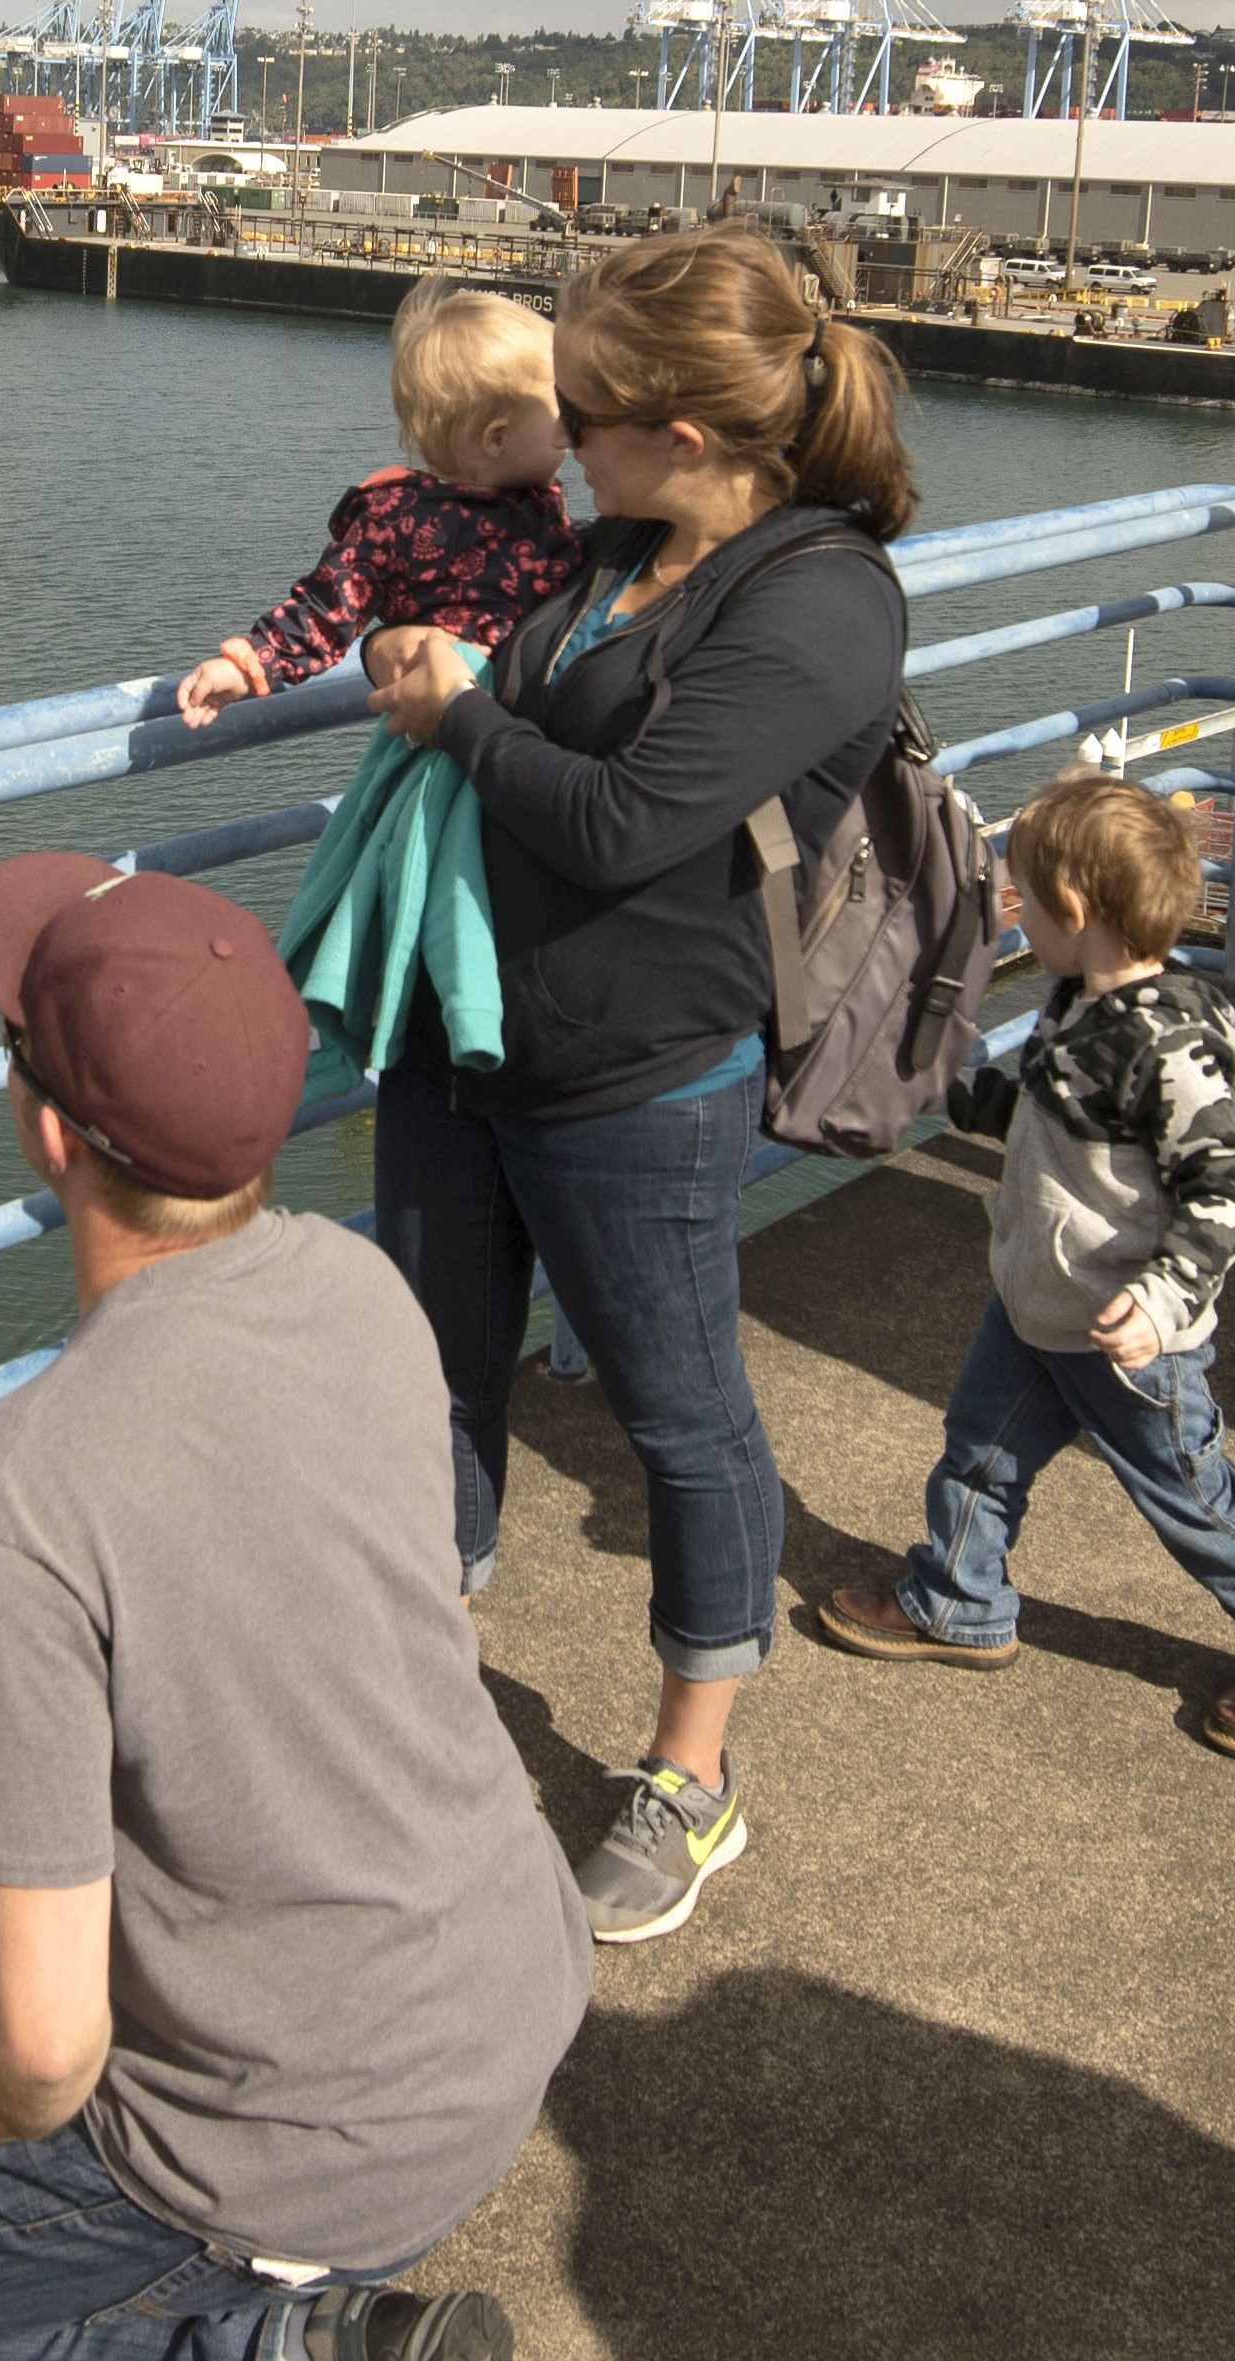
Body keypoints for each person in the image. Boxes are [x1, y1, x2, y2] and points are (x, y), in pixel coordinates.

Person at [0, 853, 581, 2361]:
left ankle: (287, 2341)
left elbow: (41, 2049)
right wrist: (5, 1451)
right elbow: (212, 1474)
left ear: (43, 1131)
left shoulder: (30, 1502)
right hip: (507, 1995)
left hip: (304, 2145)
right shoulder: (358, 1290)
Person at [355, 220, 918, 1944]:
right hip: (468, 1045)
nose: (553, 430)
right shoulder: (609, 542)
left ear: (686, 428)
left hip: (638, 1074)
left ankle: (691, 1771)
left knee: (678, 1413)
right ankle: (423, 1707)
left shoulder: (819, 599)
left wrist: (453, 714)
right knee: (431, 1384)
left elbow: (619, 820)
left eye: (577, 403)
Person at [806, 772, 1235, 1752]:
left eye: (1021, 895)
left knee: (1194, 1498)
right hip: (1041, 1305)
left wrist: (1159, 1302)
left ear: (1073, 910)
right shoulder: (1078, 1001)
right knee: (978, 1452)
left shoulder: (1172, 1039)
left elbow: (1226, 1193)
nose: (1014, 910)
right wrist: (941, 1078)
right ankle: (956, 1598)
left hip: (1127, 1336)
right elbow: (1034, 1113)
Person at [172, 276, 581, 726]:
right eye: (563, 410)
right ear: (496, 438)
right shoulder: (397, 520)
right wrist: (245, 666)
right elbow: (327, 609)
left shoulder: (539, 502)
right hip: (450, 741)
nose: (574, 429)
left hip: (530, 729)